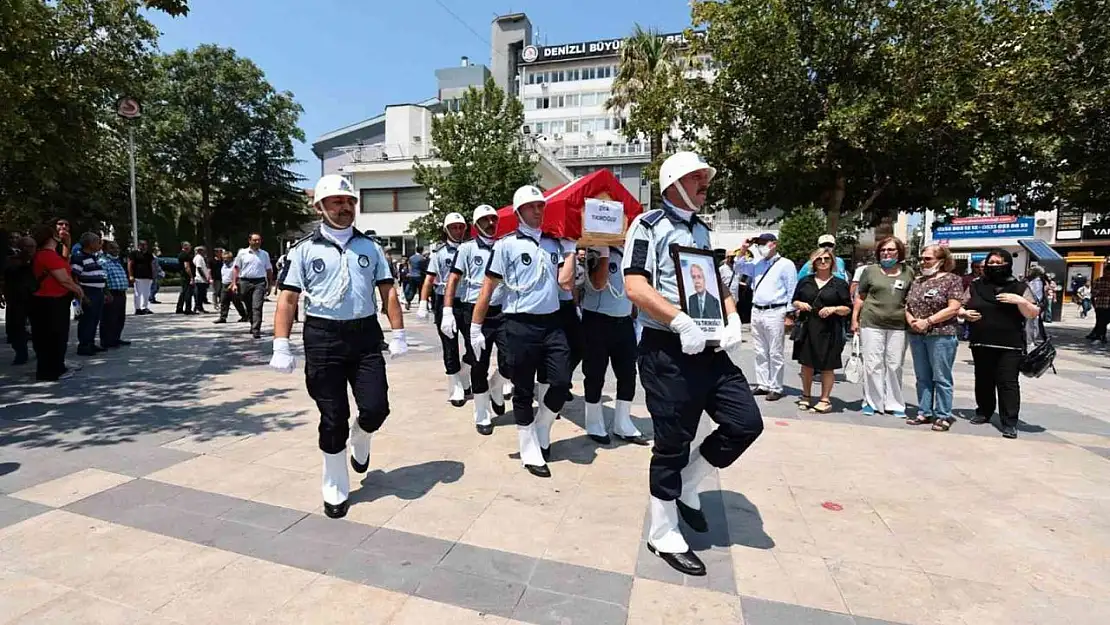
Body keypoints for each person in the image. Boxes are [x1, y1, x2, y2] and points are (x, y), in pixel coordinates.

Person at [623, 151, 758, 577]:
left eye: (705, 177)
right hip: (668, 349)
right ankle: (662, 532)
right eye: (698, 178)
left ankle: (690, 482)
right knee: (671, 443)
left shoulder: (702, 229)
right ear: (674, 183)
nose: (706, 184)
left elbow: (716, 282)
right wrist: (678, 320)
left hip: (711, 347)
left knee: (745, 422)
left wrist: (733, 316)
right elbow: (633, 284)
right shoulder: (647, 226)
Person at [270, 174, 408, 519]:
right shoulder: (303, 250)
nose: (345, 208)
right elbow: (287, 299)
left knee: (376, 407)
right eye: (337, 202)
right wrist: (280, 343)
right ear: (320, 207)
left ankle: (362, 435)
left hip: (364, 337)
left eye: (349, 202)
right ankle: (335, 484)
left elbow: (388, 291)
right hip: (323, 338)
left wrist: (399, 332)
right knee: (333, 417)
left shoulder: (370, 248)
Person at [469, 184, 573, 479]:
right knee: (523, 388)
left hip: (552, 324)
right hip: (519, 324)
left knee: (562, 382)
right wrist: (476, 327)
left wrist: (571, 251)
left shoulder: (554, 244)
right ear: (518, 213)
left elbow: (565, 284)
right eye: (531, 207)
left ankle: (542, 426)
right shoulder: (506, 245)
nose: (538, 211)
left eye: (541, 206)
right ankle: (528, 446)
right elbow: (488, 289)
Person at [959, 249, 1042, 438]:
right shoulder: (976, 285)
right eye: (992, 263)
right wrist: (964, 314)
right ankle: (984, 411)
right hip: (981, 341)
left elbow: (1033, 313)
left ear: (1008, 265)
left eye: (1000, 262)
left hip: (1010, 344)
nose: (995, 266)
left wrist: (1019, 300)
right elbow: (961, 306)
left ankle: (1010, 421)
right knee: (983, 380)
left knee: (1008, 383)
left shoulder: (1019, 287)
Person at [442, 204, 509, 434]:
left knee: (512, 360)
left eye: (494, 219)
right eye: (485, 220)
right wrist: (448, 310)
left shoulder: (504, 246)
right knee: (479, 362)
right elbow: (452, 280)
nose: (491, 224)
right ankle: (482, 413)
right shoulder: (467, 249)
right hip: (475, 312)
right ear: (475, 225)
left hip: (502, 311)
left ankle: (496, 386)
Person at [579, 242, 648, 446]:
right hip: (597, 320)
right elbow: (598, 283)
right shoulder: (594, 252)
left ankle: (623, 423)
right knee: (595, 374)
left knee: (628, 373)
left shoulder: (629, 254)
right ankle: (593, 422)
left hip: (624, 321)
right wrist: (603, 252)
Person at [903, 245, 964, 431]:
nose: (923, 262)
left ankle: (943, 415)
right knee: (922, 376)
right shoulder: (918, 281)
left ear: (942, 260)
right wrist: (912, 320)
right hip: (917, 334)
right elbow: (908, 305)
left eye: (927, 259)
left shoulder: (952, 280)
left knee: (941, 377)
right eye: (922, 258)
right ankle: (924, 411)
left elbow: (953, 307)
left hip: (941, 335)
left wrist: (928, 321)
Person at [852, 236, 912, 417]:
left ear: (899, 252)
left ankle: (894, 403)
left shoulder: (908, 272)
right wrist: (855, 319)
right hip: (871, 323)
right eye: (883, 250)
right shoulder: (870, 271)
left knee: (894, 365)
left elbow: (910, 298)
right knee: (873, 364)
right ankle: (872, 402)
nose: (886, 253)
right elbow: (860, 297)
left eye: (891, 250)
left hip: (898, 325)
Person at [418, 213, 473, 406]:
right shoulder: (439, 254)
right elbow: (429, 280)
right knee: (449, 345)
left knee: (474, 343)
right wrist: (423, 303)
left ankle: (464, 374)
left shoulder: (471, 249)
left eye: (461, 227)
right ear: (446, 230)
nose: (458, 231)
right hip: (444, 301)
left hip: (467, 300)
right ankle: (455, 384)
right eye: (454, 227)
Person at [736, 233, 798, 401]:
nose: (761, 246)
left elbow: (792, 289)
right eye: (759, 243)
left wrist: (790, 313)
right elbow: (738, 267)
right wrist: (744, 249)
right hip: (757, 310)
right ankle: (763, 383)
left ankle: (776, 386)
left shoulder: (786, 264)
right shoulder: (757, 263)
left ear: (774, 244)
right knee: (760, 350)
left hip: (775, 310)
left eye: (764, 243)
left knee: (775, 351)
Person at [791, 247, 851, 413]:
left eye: (827, 259)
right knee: (807, 364)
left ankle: (825, 399)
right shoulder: (806, 281)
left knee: (827, 366)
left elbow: (848, 308)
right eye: (819, 259)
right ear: (814, 262)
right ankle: (806, 396)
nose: (823, 262)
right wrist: (799, 304)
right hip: (808, 326)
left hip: (830, 329)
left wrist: (834, 309)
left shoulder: (840, 284)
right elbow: (794, 300)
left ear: (832, 261)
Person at [30, 224, 85, 381]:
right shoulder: (47, 255)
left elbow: (64, 261)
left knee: (51, 337)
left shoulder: (46, 254)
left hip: (49, 300)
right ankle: (53, 370)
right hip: (51, 301)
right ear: (50, 237)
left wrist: (67, 244)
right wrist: (77, 289)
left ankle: (53, 367)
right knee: (54, 337)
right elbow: (64, 279)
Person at [230, 233, 273, 339]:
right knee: (248, 304)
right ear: (249, 241)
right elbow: (236, 268)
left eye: (259, 240)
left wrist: (270, 284)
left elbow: (269, 270)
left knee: (257, 306)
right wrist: (234, 283)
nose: (257, 242)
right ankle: (252, 322)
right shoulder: (242, 253)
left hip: (259, 282)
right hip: (245, 281)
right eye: (255, 240)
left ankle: (256, 329)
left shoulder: (264, 254)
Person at [71, 233, 107, 356]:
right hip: (88, 291)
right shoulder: (79, 257)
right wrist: (82, 295)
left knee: (95, 319)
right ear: (90, 244)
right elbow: (75, 277)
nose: (100, 245)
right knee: (87, 319)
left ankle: (90, 342)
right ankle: (84, 345)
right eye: (98, 242)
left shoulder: (94, 257)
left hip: (98, 292)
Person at [4, 236, 36, 365]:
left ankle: (40, 350)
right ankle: (20, 353)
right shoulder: (11, 261)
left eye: (32, 247)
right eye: (27, 247)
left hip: (34, 297)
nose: (29, 250)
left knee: (39, 326)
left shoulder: (37, 260)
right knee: (17, 327)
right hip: (16, 298)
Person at [98, 240, 131, 349]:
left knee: (119, 318)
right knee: (109, 318)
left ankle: (116, 338)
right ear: (106, 249)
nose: (116, 250)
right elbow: (103, 279)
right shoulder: (103, 261)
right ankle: (107, 341)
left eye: (117, 248)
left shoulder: (117, 261)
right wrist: (107, 293)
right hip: (111, 293)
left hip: (121, 293)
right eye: (112, 248)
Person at [214, 250, 248, 324]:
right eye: (224, 258)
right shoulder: (223, 265)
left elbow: (238, 275)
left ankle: (244, 316)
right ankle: (223, 317)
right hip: (224, 284)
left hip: (233, 284)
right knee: (223, 302)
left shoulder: (235, 265)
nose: (225, 260)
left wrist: (232, 284)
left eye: (227, 258)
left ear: (231, 258)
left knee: (236, 302)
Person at [128, 239, 157, 315]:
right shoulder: (134, 253)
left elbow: (152, 265)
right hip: (137, 276)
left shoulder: (149, 254)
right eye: (143, 245)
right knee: (138, 293)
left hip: (147, 276)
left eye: (145, 245)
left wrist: (153, 275)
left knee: (146, 293)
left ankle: (145, 307)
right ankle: (137, 309)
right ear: (139, 246)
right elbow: (130, 264)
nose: (144, 247)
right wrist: (131, 275)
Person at [1087, 267, 1110, 345]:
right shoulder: (1098, 281)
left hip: (1109, 305)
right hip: (1101, 304)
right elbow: (1093, 293)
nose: (1107, 275)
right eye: (1106, 273)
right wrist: (1101, 292)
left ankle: (1097, 334)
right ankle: (1100, 336)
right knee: (1100, 321)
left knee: (1105, 321)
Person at [175, 242, 195, 315]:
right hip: (187, 276)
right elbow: (187, 267)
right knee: (188, 293)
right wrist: (191, 277)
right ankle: (188, 309)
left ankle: (179, 308)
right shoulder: (186, 255)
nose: (191, 247)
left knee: (183, 292)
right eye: (190, 246)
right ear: (186, 246)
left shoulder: (180, 254)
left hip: (183, 275)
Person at [192, 246, 211, 314]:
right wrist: (205, 277)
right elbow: (199, 268)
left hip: (201, 279)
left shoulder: (200, 258)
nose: (205, 252)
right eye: (203, 251)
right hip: (200, 279)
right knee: (199, 295)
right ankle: (198, 308)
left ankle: (199, 307)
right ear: (200, 251)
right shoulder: (199, 258)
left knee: (201, 294)